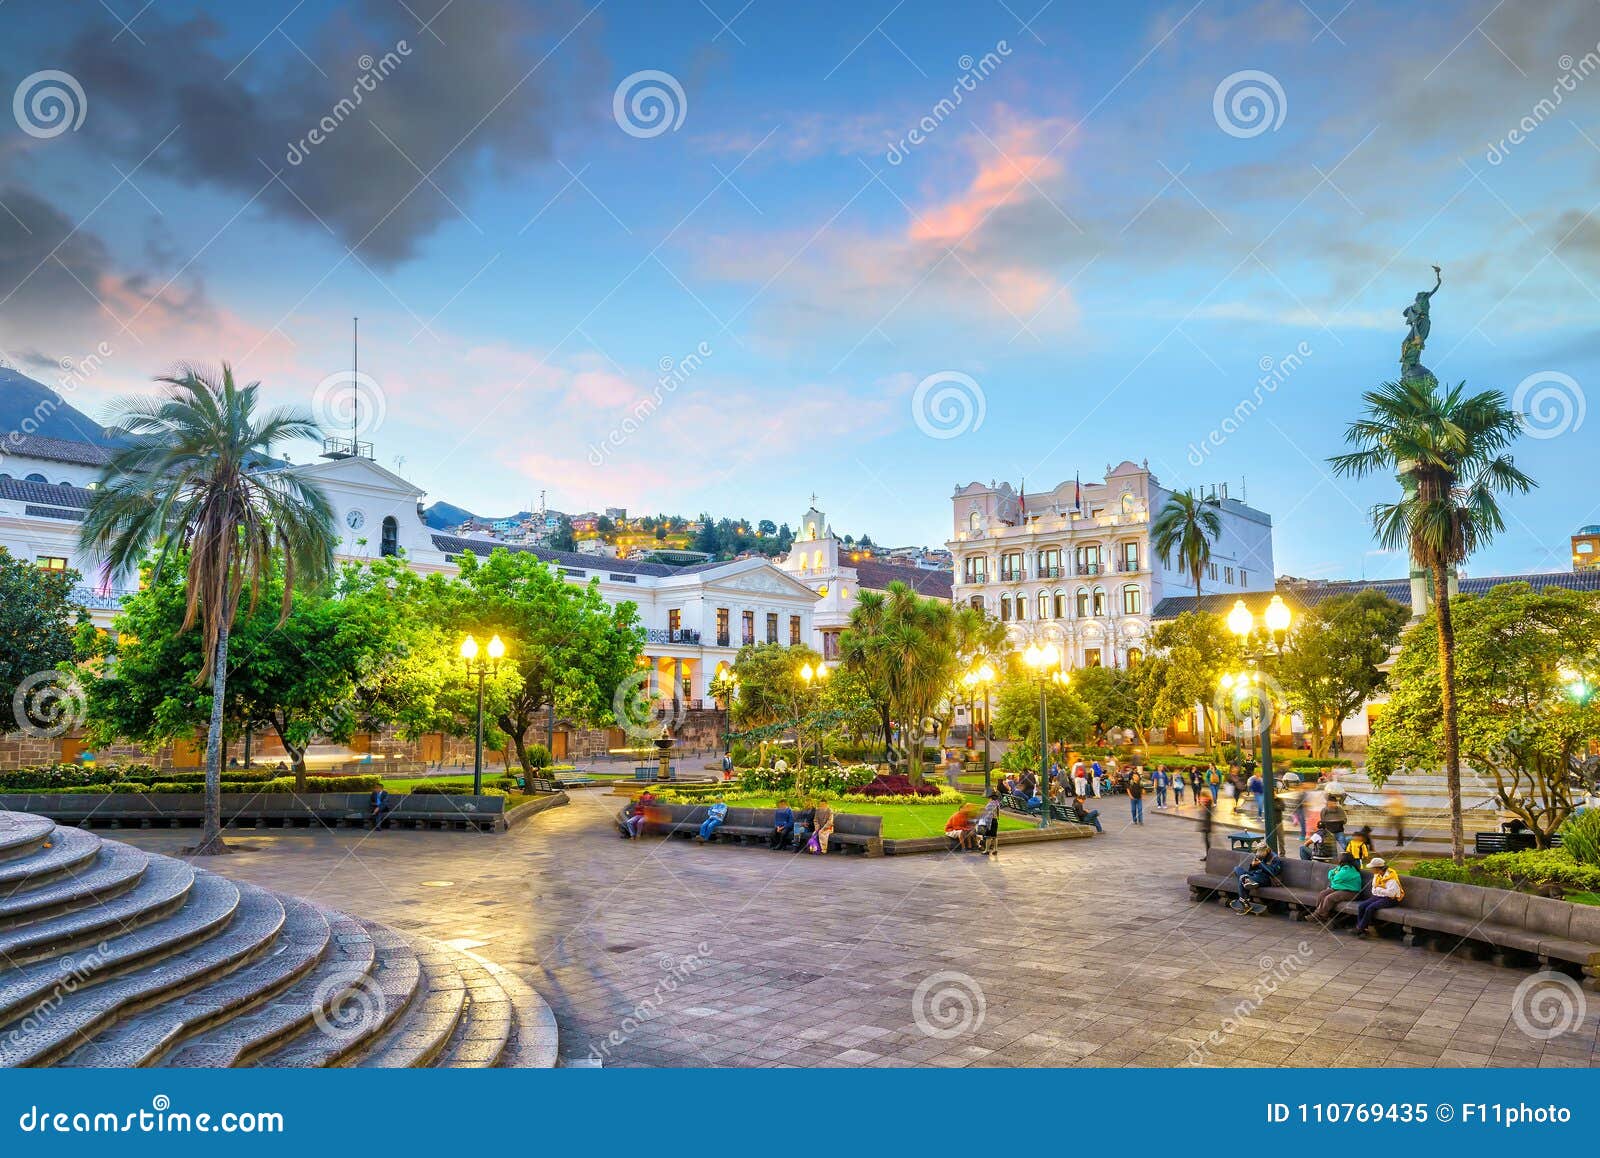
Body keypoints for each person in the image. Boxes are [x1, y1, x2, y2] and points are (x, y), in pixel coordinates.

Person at [1353, 857, 1403, 935]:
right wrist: (1381, 890)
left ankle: (1360, 928)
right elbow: (1373, 890)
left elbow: (1391, 894)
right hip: (1379, 896)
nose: (1371, 870)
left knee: (1370, 908)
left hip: (1392, 899)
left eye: (1372, 868)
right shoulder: (1377, 875)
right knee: (1361, 906)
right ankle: (1363, 928)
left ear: (1377, 868)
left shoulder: (1391, 877)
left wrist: (1379, 889)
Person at [1231, 841, 1283, 911]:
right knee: (1237, 869)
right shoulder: (1259, 856)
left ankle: (1243, 900)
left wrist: (1260, 864)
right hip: (1255, 875)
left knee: (1241, 878)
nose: (1260, 855)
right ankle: (1248, 880)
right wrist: (1252, 865)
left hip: (1267, 879)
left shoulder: (1275, 859)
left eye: (1262, 853)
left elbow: (1272, 872)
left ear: (1267, 850)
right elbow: (1250, 871)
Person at [1312, 853, 1363, 922]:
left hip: (1352, 892)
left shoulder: (1349, 870)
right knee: (1322, 894)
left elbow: (1336, 878)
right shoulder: (1340, 867)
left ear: (1343, 860)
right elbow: (1330, 872)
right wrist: (1333, 877)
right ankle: (1318, 913)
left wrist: (1333, 877)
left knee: (1329, 898)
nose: (1337, 859)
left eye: (1339, 858)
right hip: (1339, 888)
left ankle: (1321, 916)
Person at [1197, 789, 1215, 859]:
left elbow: (1208, 817)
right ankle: (1208, 855)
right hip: (1206, 826)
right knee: (1207, 841)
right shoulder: (1207, 803)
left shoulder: (1208, 804)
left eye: (1202, 796)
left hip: (1207, 826)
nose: (1201, 798)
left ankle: (1208, 855)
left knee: (1207, 841)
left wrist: (1205, 826)